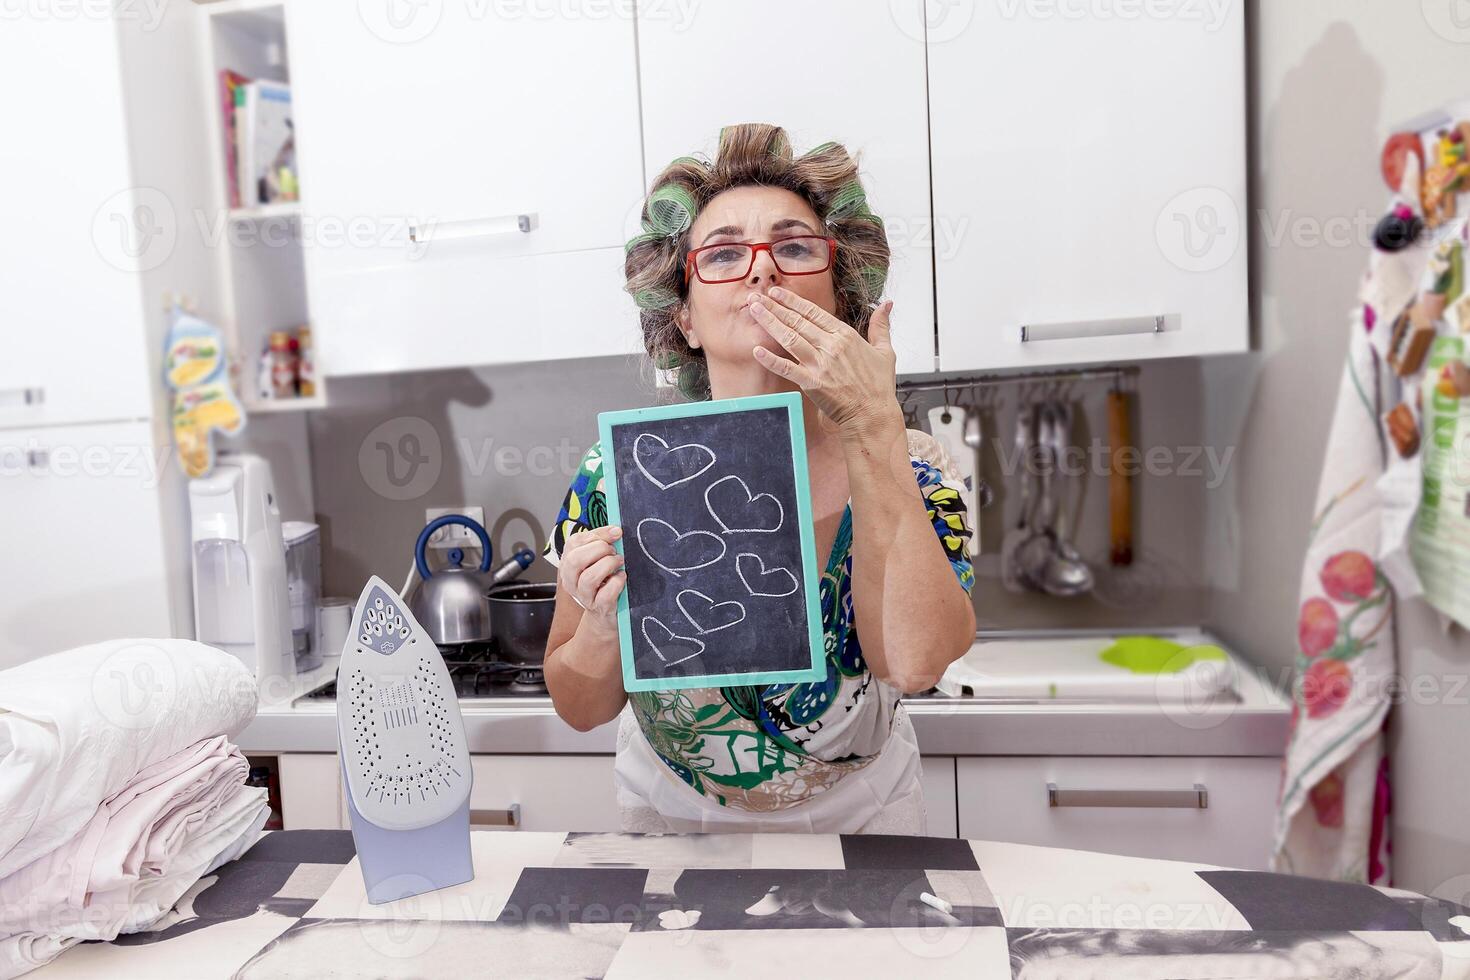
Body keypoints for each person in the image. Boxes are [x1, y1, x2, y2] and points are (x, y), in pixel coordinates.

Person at [541, 123, 976, 834]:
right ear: (682, 315)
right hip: (669, 819)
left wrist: (873, 424)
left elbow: (916, 664)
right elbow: (578, 707)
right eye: (723, 254)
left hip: (868, 818)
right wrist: (597, 622)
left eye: (795, 246)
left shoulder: (915, 463)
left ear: (840, 296)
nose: (761, 269)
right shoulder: (618, 471)